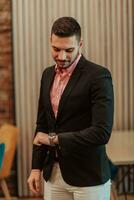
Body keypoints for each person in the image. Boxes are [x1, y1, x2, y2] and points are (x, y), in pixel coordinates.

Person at [27, 16, 114, 200]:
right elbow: (42, 124)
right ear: (50, 41)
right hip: (54, 176)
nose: (62, 56)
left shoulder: (98, 76)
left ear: (80, 44)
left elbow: (101, 133)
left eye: (69, 50)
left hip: (89, 178)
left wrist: (54, 140)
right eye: (56, 49)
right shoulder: (47, 74)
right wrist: (36, 167)